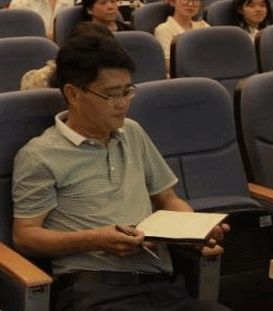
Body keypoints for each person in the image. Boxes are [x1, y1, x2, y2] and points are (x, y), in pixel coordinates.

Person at [12, 29, 229, 311]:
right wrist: (95, 240)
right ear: (73, 94)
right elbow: (25, 236)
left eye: (127, 91)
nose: (124, 103)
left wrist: (196, 231)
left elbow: (168, 199)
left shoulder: (132, 132)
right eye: (112, 95)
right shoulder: (40, 155)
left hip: (162, 286)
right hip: (94, 290)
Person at [154, 0, 209, 71]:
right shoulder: (163, 29)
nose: (191, 4)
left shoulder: (203, 26)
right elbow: (169, 65)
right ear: (172, 1)